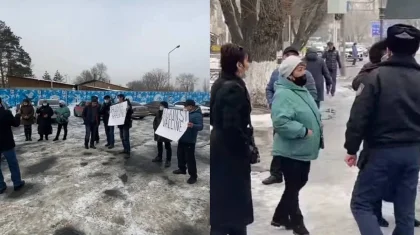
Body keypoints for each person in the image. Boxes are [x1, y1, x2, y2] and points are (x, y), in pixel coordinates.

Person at [344, 24, 420, 235]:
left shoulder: (375, 77)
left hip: (381, 152)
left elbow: (358, 117)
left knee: (361, 204)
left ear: (389, 49)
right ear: (415, 50)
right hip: (413, 154)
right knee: (405, 212)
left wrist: (351, 148)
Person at [270, 55, 322, 235]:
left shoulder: (300, 90)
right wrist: (303, 131)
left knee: (299, 182)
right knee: (293, 187)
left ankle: (280, 216)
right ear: (289, 75)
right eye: (299, 70)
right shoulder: (284, 93)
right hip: (290, 150)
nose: (304, 73)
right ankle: (297, 223)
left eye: (303, 69)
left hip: (302, 148)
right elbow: (281, 122)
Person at [210, 43, 253, 235]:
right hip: (231, 156)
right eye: (246, 61)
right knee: (234, 210)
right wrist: (247, 147)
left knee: (222, 209)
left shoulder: (219, 83)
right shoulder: (232, 89)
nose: (248, 64)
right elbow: (232, 128)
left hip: (220, 150)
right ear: (238, 64)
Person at [263, 46, 318, 185]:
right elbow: (269, 89)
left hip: (298, 117)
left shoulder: (306, 76)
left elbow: (312, 94)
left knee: (295, 149)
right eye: (287, 57)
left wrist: (305, 109)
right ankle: (276, 173)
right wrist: (272, 103)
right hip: (281, 113)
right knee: (280, 143)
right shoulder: (277, 73)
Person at [173, 99, 203, 184]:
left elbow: (200, 127)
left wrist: (193, 125)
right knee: (180, 155)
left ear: (190, 106)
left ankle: (193, 176)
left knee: (190, 159)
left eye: (185, 106)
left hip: (190, 140)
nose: (184, 107)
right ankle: (182, 169)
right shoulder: (185, 113)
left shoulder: (197, 115)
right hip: (182, 138)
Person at [0, 97, 25, 194]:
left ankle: (1, 186)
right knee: (12, 164)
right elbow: (15, 124)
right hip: (7, 143)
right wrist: (18, 115)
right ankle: (17, 183)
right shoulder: (6, 113)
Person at [152, 101, 172, 167]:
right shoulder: (158, 112)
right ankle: (159, 157)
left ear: (165, 106)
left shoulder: (169, 113)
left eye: (161, 105)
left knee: (167, 146)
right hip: (158, 133)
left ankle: (168, 160)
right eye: (160, 105)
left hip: (166, 133)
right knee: (159, 145)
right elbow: (155, 121)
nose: (160, 106)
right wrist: (155, 128)